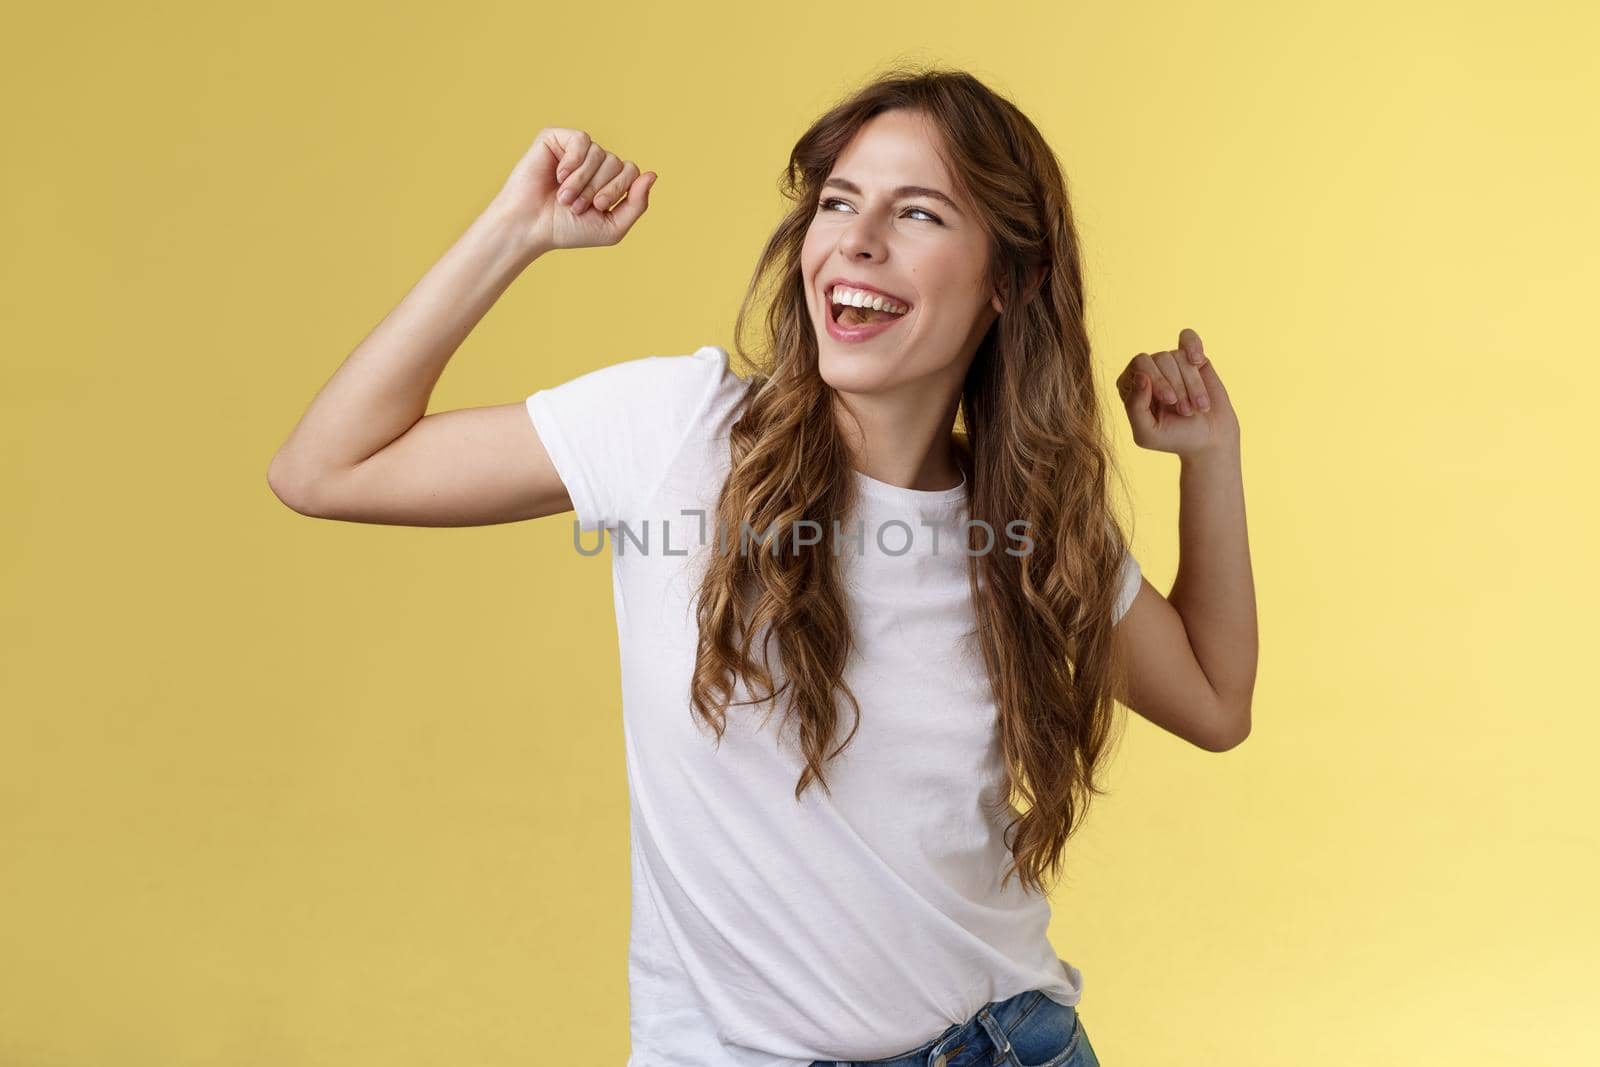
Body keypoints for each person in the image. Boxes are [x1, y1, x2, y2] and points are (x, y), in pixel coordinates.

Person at [267, 65, 1257, 1067]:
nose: (856, 240)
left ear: (1012, 277)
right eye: (837, 202)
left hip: (1007, 1041)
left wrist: (1210, 457)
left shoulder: (1027, 522)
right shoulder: (676, 432)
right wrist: (514, 231)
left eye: (916, 212)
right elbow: (326, 467)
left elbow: (1216, 702)